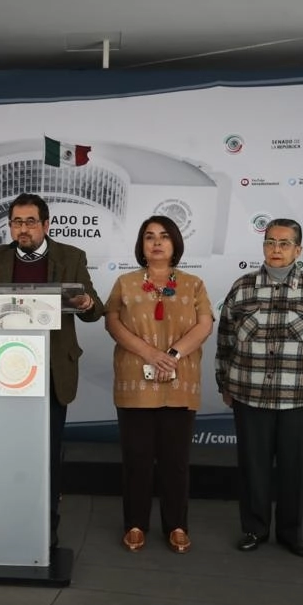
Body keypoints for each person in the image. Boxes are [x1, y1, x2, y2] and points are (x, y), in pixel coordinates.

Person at [0, 192, 104, 548]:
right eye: (16, 222)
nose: (23, 229)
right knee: (7, 450)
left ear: (46, 225)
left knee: (46, 453)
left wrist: (86, 303)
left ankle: (45, 529)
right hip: (6, 371)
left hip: (50, 373)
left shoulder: (71, 257)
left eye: (30, 222)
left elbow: (95, 309)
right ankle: (6, 524)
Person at [216, 219, 303, 558]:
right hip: (249, 391)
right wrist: (224, 383)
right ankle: (254, 529)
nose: (276, 249)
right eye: (270, 242)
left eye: (284, 243)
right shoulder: (242, 287)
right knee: (253, 467)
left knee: (294, 467)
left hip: (298, 395)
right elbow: (225, 340)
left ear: (298, 250)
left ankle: (291, 533)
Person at [105, 216, 213, 553]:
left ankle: (176, 525)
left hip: (179, 381)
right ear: (141, 245)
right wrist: (151, 353)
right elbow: (113, 322)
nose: (156, 242)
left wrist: (172, 354)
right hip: (135, 382)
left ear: (175, 243)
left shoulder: (194, 284)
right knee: (136, 459)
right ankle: (135, 524)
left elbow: (205, 324)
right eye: (149, 236)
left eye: (164, 236)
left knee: (175, 461)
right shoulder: (125, 282)